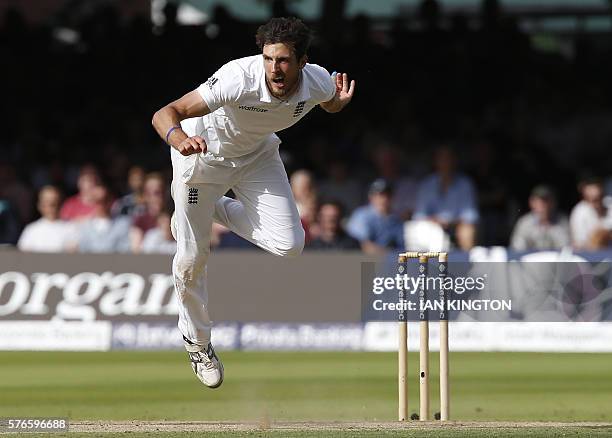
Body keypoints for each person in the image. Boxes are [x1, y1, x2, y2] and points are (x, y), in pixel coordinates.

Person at [151, 17, 355, 388]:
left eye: (283, 61)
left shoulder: (319, 80)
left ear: (302, 62)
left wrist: (337, 104)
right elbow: (165, 113)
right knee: (191, 260)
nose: (275, 70)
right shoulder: (237, 77)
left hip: (257, 157)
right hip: (202, 158)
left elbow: (328, 104)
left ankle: (201, 208)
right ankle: (198, 344)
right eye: (269, 59)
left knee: (289, 244)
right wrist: (178, 138)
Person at [413, 145, 479, 250]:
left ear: (455, 161)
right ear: (435, 162)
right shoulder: (426, 184)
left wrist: (450, 222)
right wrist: (435, 221)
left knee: (467, 230)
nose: (445, 162)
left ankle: (467, 263)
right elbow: (418, 216)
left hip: (456, 226)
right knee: (424, 231)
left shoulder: (465, 184)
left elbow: (471, 216)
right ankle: (430, 265)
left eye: (448, 158)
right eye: (442, 159)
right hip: (432, 227)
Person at [346, 179, 404, 255]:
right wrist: (390, 255)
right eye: (379, 195)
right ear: (370, 197)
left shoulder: (396, 219)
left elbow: (401, 247)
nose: (384, 199)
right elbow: (362, 246)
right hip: (363, 261)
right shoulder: (362, 215)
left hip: (389, 261)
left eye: (387, 195)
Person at [510, 185, 570, 251]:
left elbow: (566, 248)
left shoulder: (562, 221)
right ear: (531, 202)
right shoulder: (525, 222)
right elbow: (517, 248)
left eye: (547, 201)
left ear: (554, 202)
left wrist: (549, 227)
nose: (544, 205)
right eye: (539, 201)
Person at [18, 186, 76, 252]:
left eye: (55, 202)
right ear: (40, 205)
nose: (51, 206)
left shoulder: (71, 228)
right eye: (47, 202)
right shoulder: (31, 230)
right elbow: (23, 255)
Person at [570, 178, 612, 250]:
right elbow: (579, 243)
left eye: (600, 197)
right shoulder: (579, 211)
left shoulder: (610, 204)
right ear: (586, 199)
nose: (597, 202)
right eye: (593, 199)